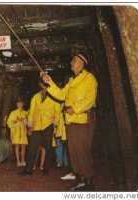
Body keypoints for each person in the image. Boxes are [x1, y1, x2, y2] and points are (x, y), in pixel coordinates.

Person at [42, 51, 97, 191]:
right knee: (73, 151)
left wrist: (75, 108)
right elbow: (61, 95)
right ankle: (80, 179)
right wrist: (50, 82)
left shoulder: (89, 78)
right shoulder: (72, 81)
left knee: (82, 150)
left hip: (82, 119)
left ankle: (88, 182)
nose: (71, 63)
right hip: (71, 120)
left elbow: (90, 99)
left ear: (82, 63)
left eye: (74, 60)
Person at [19, 79, 60, 176]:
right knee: (32, 147)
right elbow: (32, 112)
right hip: (36, 126)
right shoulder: (35, 97)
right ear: (40, 84)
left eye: (46, 84)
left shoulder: (54, 97)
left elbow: (57, 112)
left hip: (48, 125)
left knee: (48, 148)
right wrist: (30, 125)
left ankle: (46, 169)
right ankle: (28, 170)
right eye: (43, 84)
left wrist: (55, 125)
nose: (44, 86)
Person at [7, 98, 28, 167]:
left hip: (23, 132)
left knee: (23, 146)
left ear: (23, 104)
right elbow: (9, 122)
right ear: (16, 104)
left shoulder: (25, 113)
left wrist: (24, 120)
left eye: (21, 103)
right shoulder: (13, 113)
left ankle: (22, 160)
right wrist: (15, 121)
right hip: (16, 132)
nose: (20, 105)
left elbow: (28, 122)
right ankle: (18, 161)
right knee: (17, 146)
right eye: (18, 103)